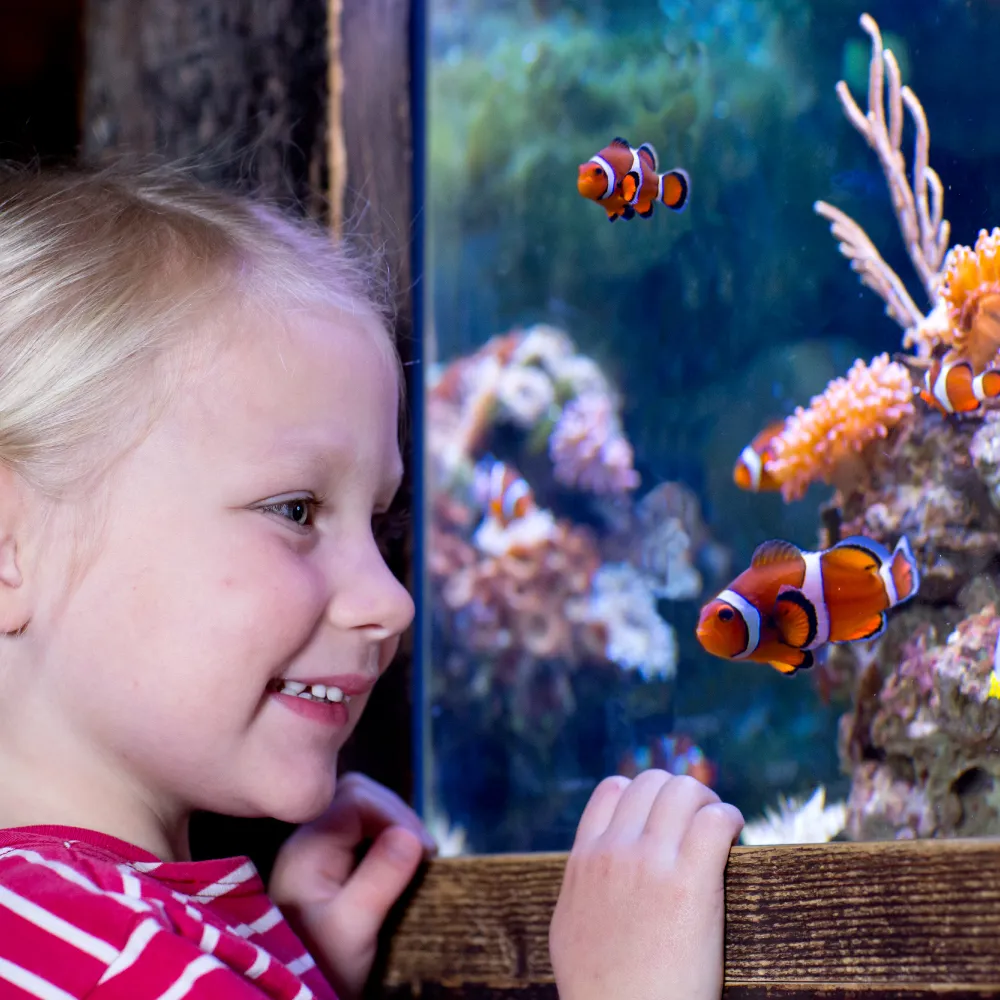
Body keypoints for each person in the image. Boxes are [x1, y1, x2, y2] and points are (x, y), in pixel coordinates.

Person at [0, 165, 744, 1000]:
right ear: (8, 541)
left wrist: (296, 971)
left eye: (382, 527)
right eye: (295, 510)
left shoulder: (70, 941)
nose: (392, 602)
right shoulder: (92, 959)